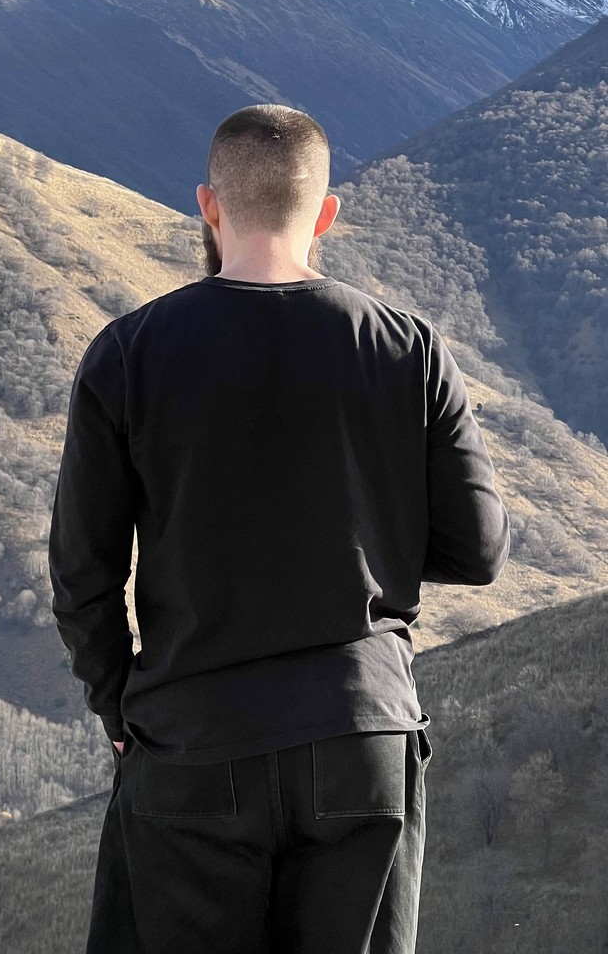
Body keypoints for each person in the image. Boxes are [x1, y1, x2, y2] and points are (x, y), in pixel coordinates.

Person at [47, 103, 510, 954]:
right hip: (360, 737)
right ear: (327, 212)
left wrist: (118, 705)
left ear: (208, 206)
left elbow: (83, 572)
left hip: (192, 741)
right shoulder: (408, 349)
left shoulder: (128, 353)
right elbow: (478, 551)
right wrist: (369, 538)